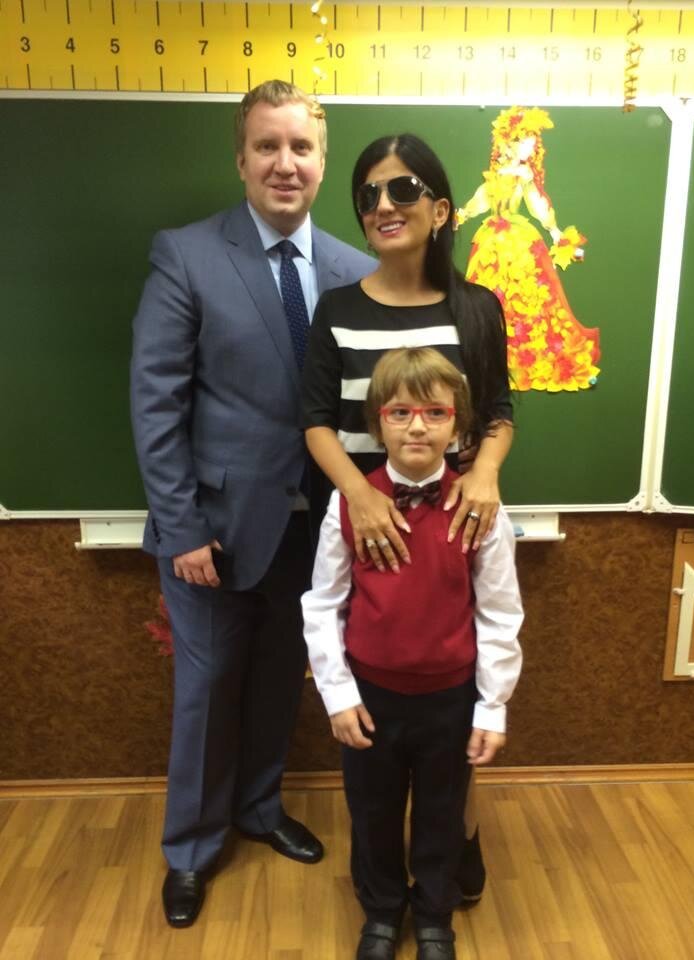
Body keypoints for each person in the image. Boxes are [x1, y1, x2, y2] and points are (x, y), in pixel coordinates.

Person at [130, 79, 375, 928]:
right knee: (206, 693)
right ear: (240, 160)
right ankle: (192, 850)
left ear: (322, 162)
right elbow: (156, 403)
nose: (284, 163)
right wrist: (182, 527)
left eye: (300, 147)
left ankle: (259, 809)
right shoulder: (186, 255)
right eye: (267, 146)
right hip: (214, 534)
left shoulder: (354, 272)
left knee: (278, 680)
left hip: (315, 536)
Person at [301, 133, 514, 902]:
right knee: (381, 702)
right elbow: (315, 420)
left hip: (452, 519)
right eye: (369, 194)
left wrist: (484, 472)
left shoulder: (476, 308)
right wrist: (360, 496)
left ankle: (453, 842)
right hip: (361, 523)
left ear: (441, 208)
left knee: (454, 695)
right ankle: (383, 878)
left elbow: (498, 412)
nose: (384, 205)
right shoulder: (338, 309)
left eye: (402, 189)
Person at [303, 346, 523, 960]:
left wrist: (492, 706)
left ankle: (434, 916)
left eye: (434, 412)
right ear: (378, 423)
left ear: (458, 424)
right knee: (372, 811)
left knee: (442, 812)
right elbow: (323, 604)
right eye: (400, 412)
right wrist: (338, 695)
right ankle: (380, 912)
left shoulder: (479, 508)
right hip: (369, 698)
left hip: (450, 698)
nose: (417, 426)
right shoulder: (348, 504)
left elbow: (500, 612)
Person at [455, 105, 600, 392]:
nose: (532, 149)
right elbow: (481, 199)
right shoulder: (497, 175)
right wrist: (461, 215)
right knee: (489, 298)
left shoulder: (523, 174)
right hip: (493, 244)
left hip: (516, 244)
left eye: (533, 144)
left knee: (527, 298)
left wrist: (555, 231)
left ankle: (524, 356)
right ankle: (488, 358)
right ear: (510, 142)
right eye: (527, 143)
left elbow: (537, 204)